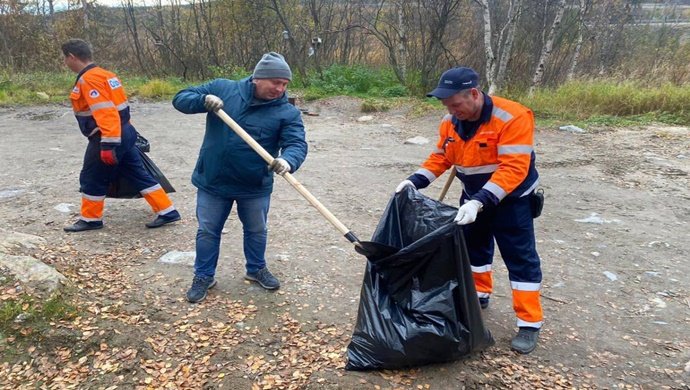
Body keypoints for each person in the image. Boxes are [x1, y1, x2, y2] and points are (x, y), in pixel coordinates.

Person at [396, 67, 543, 354]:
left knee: (520, 257)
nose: (451, 111)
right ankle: (479, 294)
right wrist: (414, 181)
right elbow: (441, 156)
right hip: (474, 196)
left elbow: (513, 168)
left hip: (511, 200)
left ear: (474, 94)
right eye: (446, 106)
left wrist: (480, 201)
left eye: (455, 104)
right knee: (474, 250)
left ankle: (529, 323)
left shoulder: (512, 116)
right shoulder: (451, 121)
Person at [172, 52, 307, 303]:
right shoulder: (223, 89)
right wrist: (203, 100)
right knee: (208, 231)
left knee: (256, 230)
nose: (280, 89)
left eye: (285, 84)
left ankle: (256, 269)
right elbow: (180, 98)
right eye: (275, 82)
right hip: (214, 180)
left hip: (254, 184)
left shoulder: (286, 112)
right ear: (258, 78)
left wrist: (288, 160)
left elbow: (296, 143)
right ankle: (204, 276)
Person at [61, 39, 180, 232]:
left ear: (72, 57)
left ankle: (90, 219)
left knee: (92, 176)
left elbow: (106, 112)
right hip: (124, 133)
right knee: (138, 173)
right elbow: (122, 108)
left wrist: (108, 145)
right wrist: (127, 134)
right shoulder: (107, 75)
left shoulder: (89, 79)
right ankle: (167, 211)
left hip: (107, 136)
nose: (65, 63)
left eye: (65, 58)